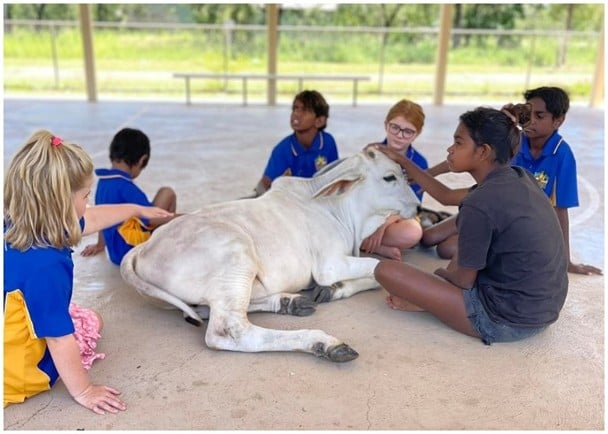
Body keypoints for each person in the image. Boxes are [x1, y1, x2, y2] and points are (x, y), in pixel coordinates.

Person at [4, 130, 173, 413]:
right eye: (85, 196)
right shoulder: (45, 266)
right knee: (88, 321)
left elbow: (90, 218)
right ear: (61, 205)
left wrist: (135, 209)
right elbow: (58, 338)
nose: (88, 203)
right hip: (14, 373)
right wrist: (84, 390)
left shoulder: (18, 225)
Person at [373, 104, 568, 345]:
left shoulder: (479, 203)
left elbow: (463, 282)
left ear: (484, 152)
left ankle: (431, 304)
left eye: (458, 143)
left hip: (504, 319)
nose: (450, 149)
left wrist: (436, 280)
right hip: (545, 308)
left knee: (386, 270)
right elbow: (446, 196)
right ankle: (436, 297)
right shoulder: (520, 176)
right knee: (443, 239)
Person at [511, 86, 602, 275]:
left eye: (540, 116)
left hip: (529, 229)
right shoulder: (513, 142)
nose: (530, 121)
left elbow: (560, 210)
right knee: (444, 243)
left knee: (451, 248)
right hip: (499, 215)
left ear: (558, 121)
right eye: (527, 114)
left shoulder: (562, 155)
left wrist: (566, 261)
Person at [80, 127, 179, 265]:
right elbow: (152, 218)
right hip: (134, 254)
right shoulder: (127, 188)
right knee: (167, 193)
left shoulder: (103, 182)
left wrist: (100, 245)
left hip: (116, 255)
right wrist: (182, 218)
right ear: (141, 160)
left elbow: (102, 216)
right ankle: (170, 244)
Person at [360, 99, 429, 260]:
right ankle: (376, 247)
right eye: (395, 127)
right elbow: (361, 196)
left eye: (407, 131)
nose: (399, 135)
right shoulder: (371, 152)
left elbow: (412, 206)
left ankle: (360, 243)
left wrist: (382, 225)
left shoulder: (419, 163)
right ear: (386, 125)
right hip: (367, 214)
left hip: (397, 219)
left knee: (413, 231)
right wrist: (374, 221)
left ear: (417, 134)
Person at [254, 90, 339, 196]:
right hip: (291, 202)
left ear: (319, 121)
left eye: (304, 110)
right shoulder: (282, 150)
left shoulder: (328, 143)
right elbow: (264, 186)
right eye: (295, 108)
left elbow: (334, 178)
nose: (296, 114)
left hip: (318, 201)